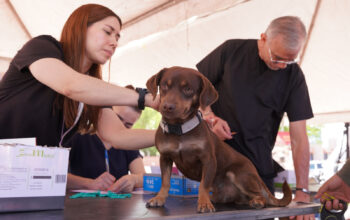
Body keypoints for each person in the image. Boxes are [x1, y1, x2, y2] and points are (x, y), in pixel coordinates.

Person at [196, 16, 313, 219]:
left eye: (290, 60)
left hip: (257, 175)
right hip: (215, 168)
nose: (283, 65)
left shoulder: (293, 76)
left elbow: (299, 137)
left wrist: (302, 189)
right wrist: (209, 116)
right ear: (263, 38)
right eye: (277, 58)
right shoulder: (231, 51)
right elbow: (196, 89)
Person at [0, 4, 158, 151]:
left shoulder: (94, 89)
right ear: (81, 28)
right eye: (108, 32)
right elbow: (71, 85)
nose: (114, 42)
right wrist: (144, 98)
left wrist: (175, 136)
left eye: (117, 37)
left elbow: (119, 136)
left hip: (41, 176)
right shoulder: (42, 47)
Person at [67, 89, 145, 193]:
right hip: (80, 205)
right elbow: (57, 175)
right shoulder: (78, 136)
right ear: (106, 110)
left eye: (128, 125)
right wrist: (89, 183)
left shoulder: (128, 143)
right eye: (117, 118)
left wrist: (134, 179)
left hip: (118, 207)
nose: (120, 127)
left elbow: (144, 177)